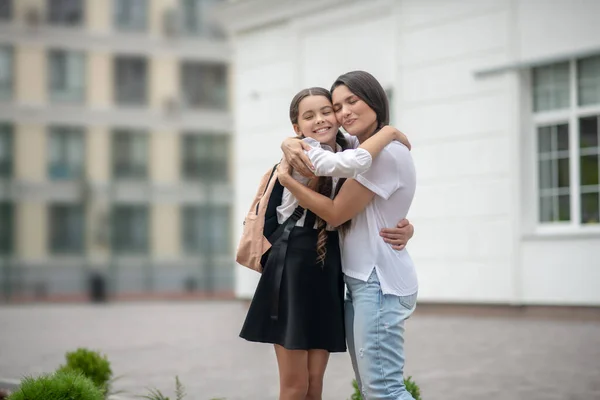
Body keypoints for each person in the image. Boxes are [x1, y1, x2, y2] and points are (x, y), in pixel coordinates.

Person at [240, 86, 414, 400]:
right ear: (297, 128)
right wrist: (388, 132)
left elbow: (367, 199)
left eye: (327, 111)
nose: (321, 119)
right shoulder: (305, 151)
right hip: (294, 262)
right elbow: (354, 164)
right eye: (309, 116)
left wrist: (406, 226)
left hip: (326, 264)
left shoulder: (344, 145)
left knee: (314, 383)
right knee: (295, 386)